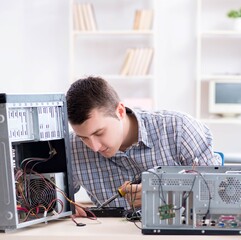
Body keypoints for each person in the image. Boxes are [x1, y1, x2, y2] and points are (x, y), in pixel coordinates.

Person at [66, 76, 221, 216]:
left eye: (99, 133)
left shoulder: (179, 129)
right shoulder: (72, 148)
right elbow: (49, 198)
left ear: (120, 111)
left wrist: (165, 194)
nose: (94, 147)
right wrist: (66, 207)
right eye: (84, 137)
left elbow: (219, 191)